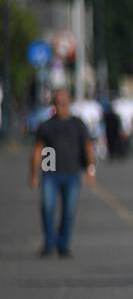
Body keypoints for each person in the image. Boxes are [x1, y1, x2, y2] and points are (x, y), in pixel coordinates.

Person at [28, 88, 96, 258]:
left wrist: (90, 169)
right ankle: (49, 243)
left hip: (72, 172)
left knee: (69, 211)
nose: (61, 106)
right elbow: (38, 150)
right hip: (50, 171)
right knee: (47, 208)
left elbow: (87, 147)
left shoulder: (77, 124)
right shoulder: (46, 125)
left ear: (70, 103)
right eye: (58, 102)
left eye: (64, 102)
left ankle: (64, 245)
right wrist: (34, 174)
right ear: (54, 104)